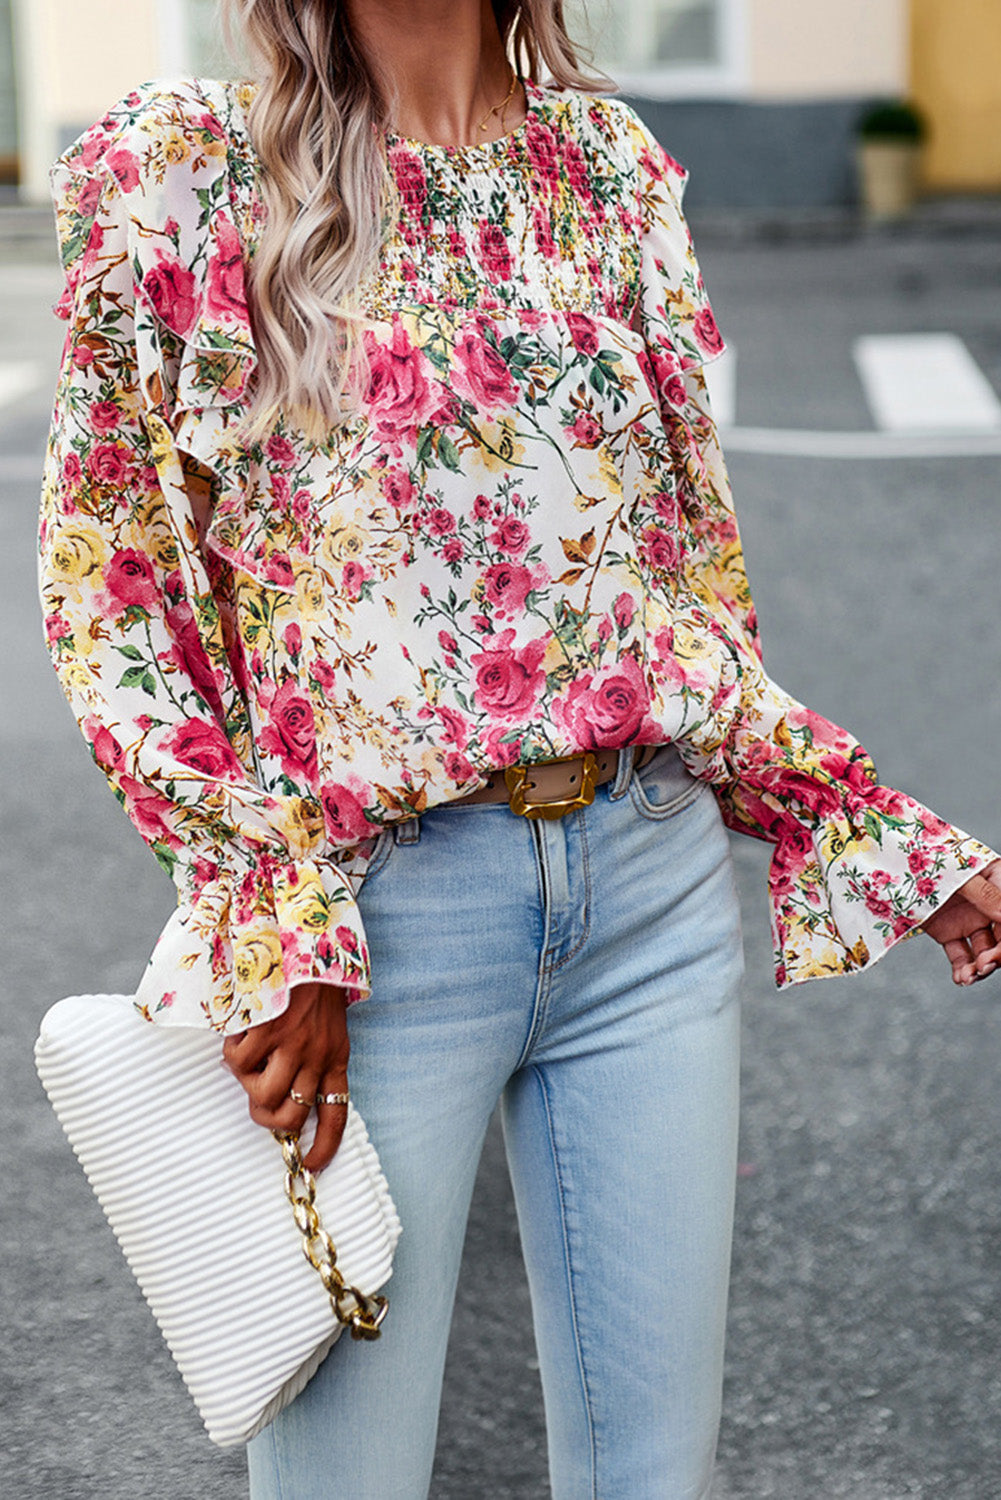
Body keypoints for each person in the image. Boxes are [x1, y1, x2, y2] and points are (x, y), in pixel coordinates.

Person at [37, 1, 1001, 1495]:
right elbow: (112, 594)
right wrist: (271, 911)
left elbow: (677, 606)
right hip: (369, 930)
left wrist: (864, 825)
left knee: (649, 1477)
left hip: (650, 900)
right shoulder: (185, 168)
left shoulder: (607, 165)